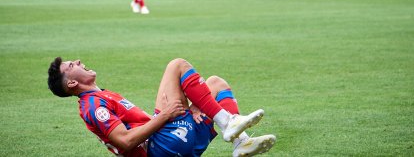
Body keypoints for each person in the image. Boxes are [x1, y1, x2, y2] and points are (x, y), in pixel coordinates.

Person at [47, 57, 276, 156]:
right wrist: (165, 115)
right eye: (70, 65)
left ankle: (241, 143)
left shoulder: (102, 95)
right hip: (160, 149)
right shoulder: (93, 106)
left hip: (174, 143)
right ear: (72, 82)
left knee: (216, 84)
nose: (77, 62)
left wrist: (198, 105)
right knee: (177, 65)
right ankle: (228, 122)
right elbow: (124, 141)